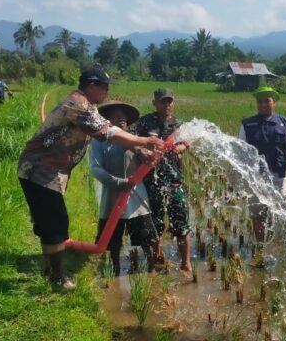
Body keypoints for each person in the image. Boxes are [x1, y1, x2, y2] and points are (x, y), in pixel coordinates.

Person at [17, 67, 164, 289]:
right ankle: (57, 276)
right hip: (40, 169)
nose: (107, 91)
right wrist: (143, 141)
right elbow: (106, 133)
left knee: (49, 222)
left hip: (48, 170)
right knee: (56, 223)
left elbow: (109, 129)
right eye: (105, 87)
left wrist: (140, 146)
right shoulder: (78, 104)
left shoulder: (88, 106)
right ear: (92, 86)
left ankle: (49, 269)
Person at [90, 101, 159, 275]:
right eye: (117, 116)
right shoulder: (98, 143)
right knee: (112, 244)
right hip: (112, 196)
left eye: (124, 117)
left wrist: (148, 154)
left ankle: (152, 273)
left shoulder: (136, 140)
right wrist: (118, 182)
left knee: (148, 239)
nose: (121, 120)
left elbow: (150, 159)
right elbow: (96, 169)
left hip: (136, 196)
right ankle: (114, 274)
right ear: (107, 121)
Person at [129, 88, 192, 271]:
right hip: (151, 182)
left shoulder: (179, 124)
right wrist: (141, 150)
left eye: (169, 101)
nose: (167, 104)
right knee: (155, 224)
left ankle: (185, 263)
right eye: (163, 101)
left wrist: (184, 146)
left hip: (174, 182)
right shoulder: (145, 123)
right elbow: (129, 139)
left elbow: (190, 138)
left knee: (181, 223)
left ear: (174, 103)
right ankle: (157, 259)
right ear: (155, 103)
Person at [239, 86, 286, 243]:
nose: (263, 105)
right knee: (258, 215)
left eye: (267, 101)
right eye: (260, 101)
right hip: (255, 180)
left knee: (280, 214)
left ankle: (276, 245)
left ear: (274, 103)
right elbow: (240, 152)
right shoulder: (247, 124)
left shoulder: (285, 124)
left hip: (278, 179)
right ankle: (260, 246)